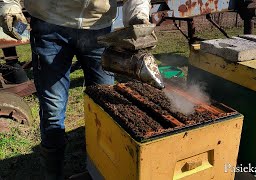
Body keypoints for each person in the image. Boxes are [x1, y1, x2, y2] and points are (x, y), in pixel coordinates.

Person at [0, 0, 151, 179]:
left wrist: (139, 16)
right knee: (53, 109)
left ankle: (102, 167)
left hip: (99, 28)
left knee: (106, 104)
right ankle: (54, 175)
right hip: (50, 25)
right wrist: (9, 6)